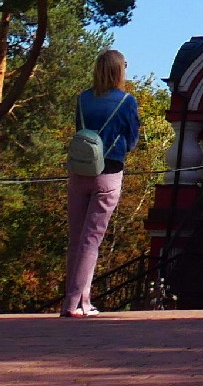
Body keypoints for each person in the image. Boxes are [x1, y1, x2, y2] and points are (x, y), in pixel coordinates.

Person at [60, 48, 143, 317]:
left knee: (76, 239)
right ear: (119, 70)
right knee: (91, 240)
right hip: (109, 172)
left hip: (79, 171)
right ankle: (74, 304)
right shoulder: (127, 101)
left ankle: (80, 300)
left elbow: (78, 130)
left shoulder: (83, 99)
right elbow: (132, 140)